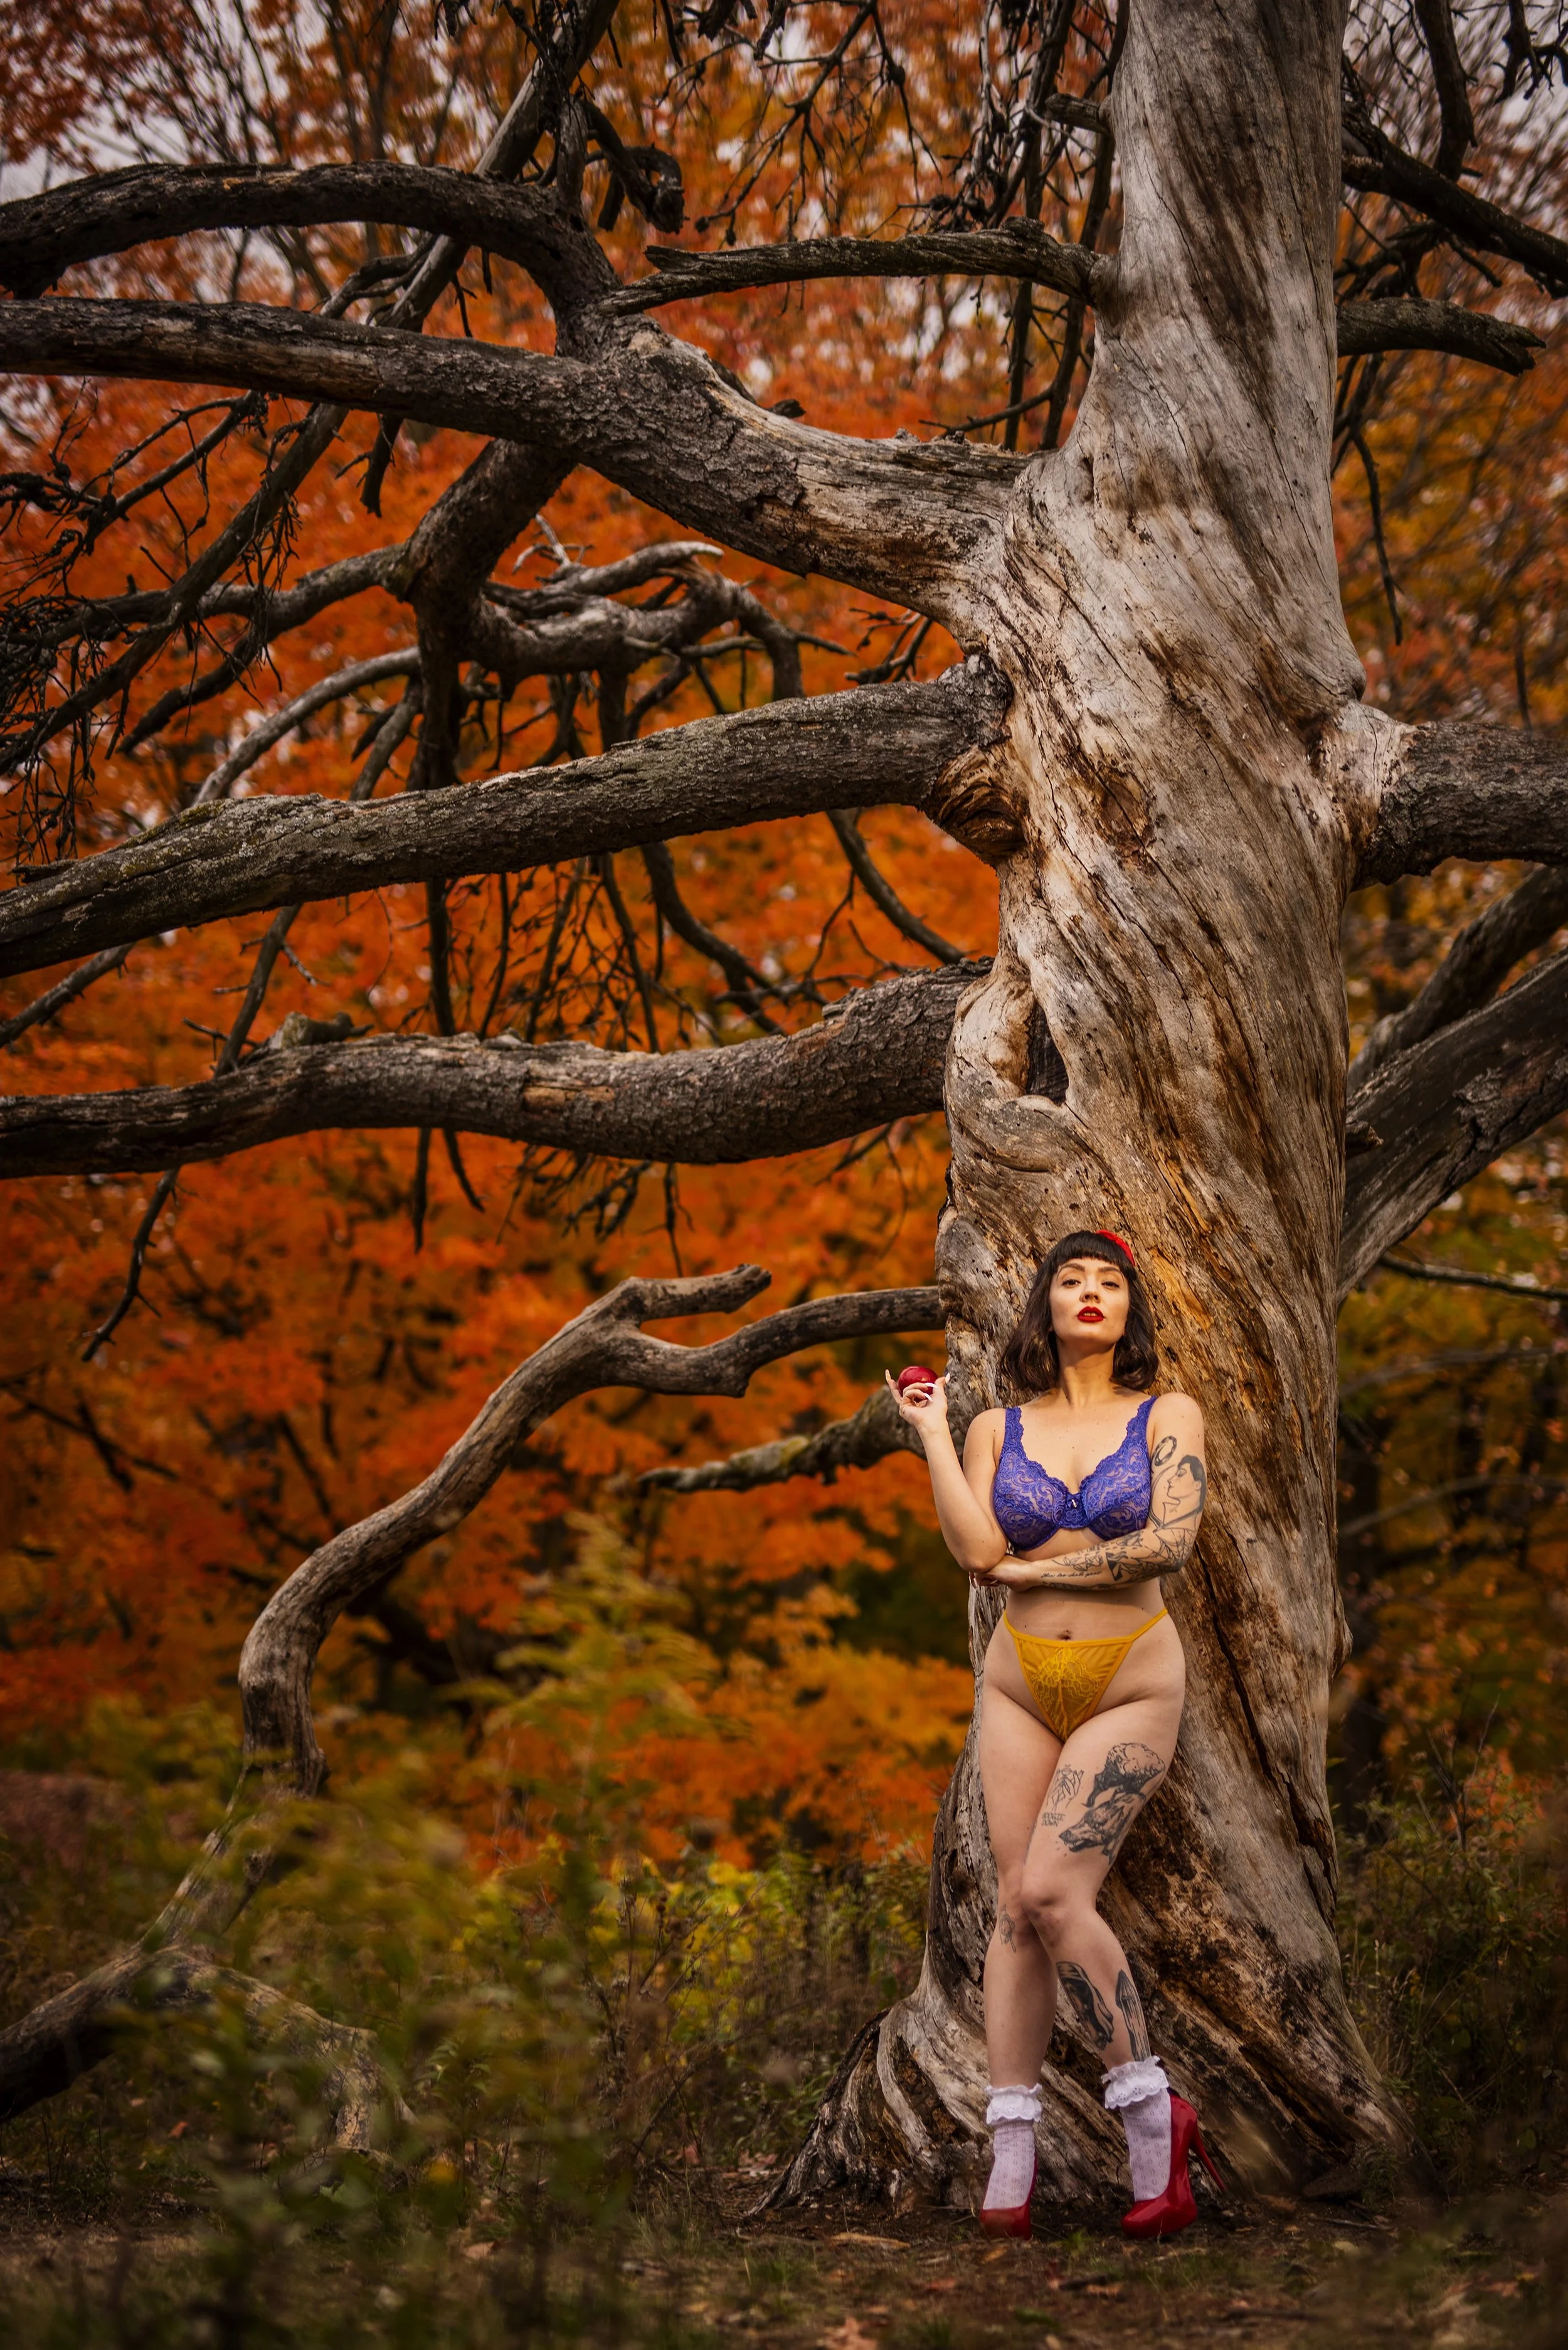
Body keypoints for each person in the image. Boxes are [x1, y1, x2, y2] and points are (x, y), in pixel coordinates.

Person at [887, 1229, 1222, 2241]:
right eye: (1070, 1280)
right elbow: (982, 1550)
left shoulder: (1168, 1415)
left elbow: (1170, 1539)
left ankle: (1154, 2124)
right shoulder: (1000, 1427)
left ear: (1129, 1311)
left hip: (1128, 1683)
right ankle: (1013, 2161)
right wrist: (936, 1433)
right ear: (1042, 1308)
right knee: (1011, 1914)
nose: (1090, 1293)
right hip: (1022, 1684)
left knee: (1049, 1890)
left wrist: (1046, 1574)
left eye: (1110, 1281)